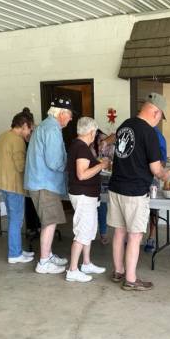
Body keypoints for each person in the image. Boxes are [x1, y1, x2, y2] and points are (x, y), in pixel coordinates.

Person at [108, 92, 170, 291]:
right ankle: (131, 279)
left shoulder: (125, 125)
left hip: (116, 187)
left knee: (119, 232)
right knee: (135, 236)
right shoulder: (149, 133)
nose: (159, 120)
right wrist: (164, 174)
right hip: (134, 191)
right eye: (160, 116)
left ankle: (118, 271)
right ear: (155, 112)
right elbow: (155, 169)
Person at [24, 97, 72, 275]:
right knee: (50, 222)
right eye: (69, 115)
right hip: (45, 183)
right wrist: (71, 166)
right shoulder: (52, 129)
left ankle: (48, 255)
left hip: (40, 181)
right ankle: (43, 261)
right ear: (61, 114)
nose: (70, 118)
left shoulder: (45, 125)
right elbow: (54, 161)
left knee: (49, 221)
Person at [66, 117, 110, 282]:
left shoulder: (78, 146)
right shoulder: (82, 148)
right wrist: (100, 166)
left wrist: (96, 164)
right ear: (91, 132)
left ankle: (86, 263)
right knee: (82, 231)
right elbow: (82, 174)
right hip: (83, 195)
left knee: (89, 230)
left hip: (87, 195)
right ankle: (72, 270)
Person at [0, 109, 35, 264]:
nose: (29, 132)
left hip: (3, 183)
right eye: (30, 128)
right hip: (13, 185)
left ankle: (15, 250)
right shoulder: (17, 140)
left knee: (12, 219)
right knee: (16, 220)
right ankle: (15, 254)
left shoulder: (3, 136)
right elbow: (21, 166)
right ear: (23, 125)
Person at [143, 126, 168, 253]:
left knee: (153, 208)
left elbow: (163, 160)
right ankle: (130, 236)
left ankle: (151, 237)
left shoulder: (157, 135)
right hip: (138, 177)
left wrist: (156, 170)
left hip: (152, 178)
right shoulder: (137, 131)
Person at [93, 129, 115, 245]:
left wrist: (108, 162)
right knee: (93, 206)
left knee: (102, 205)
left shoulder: (107, 141)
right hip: (92, 177)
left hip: (105, 178)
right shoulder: (89, 142)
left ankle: (103, 232)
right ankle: (90, 233)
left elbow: (113, 159)